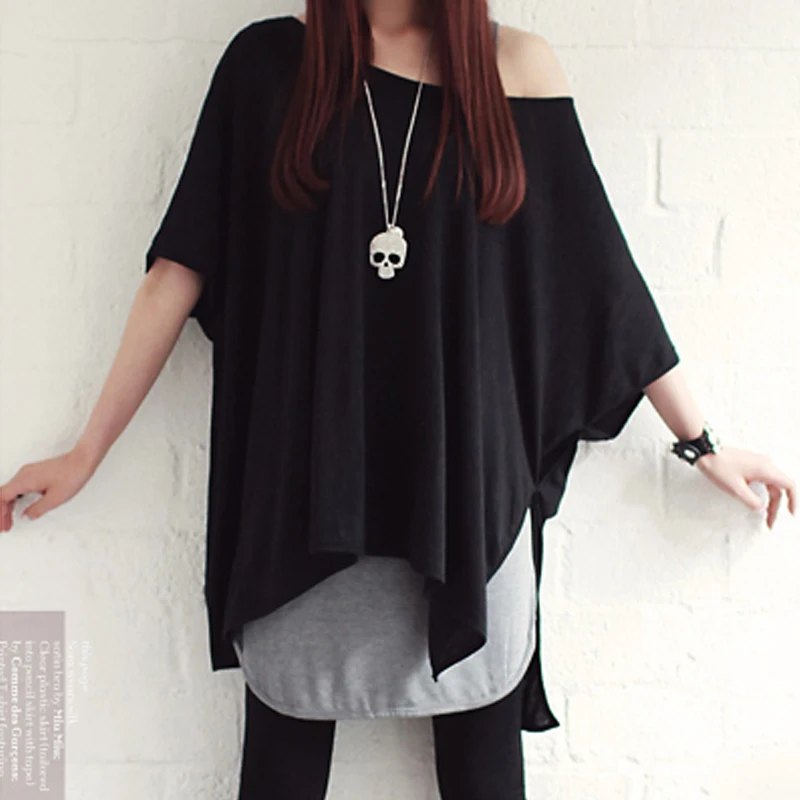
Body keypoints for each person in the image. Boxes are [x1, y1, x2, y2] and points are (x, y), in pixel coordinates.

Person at [0, 2, 796, 799]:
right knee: (281, 770)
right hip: (307, 497)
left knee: (484, 773)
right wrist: (87, 452)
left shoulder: (514, 69)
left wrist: (703, 442)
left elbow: (601, 280)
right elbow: (180, 267)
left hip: (467, 498)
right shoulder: (269, 67)